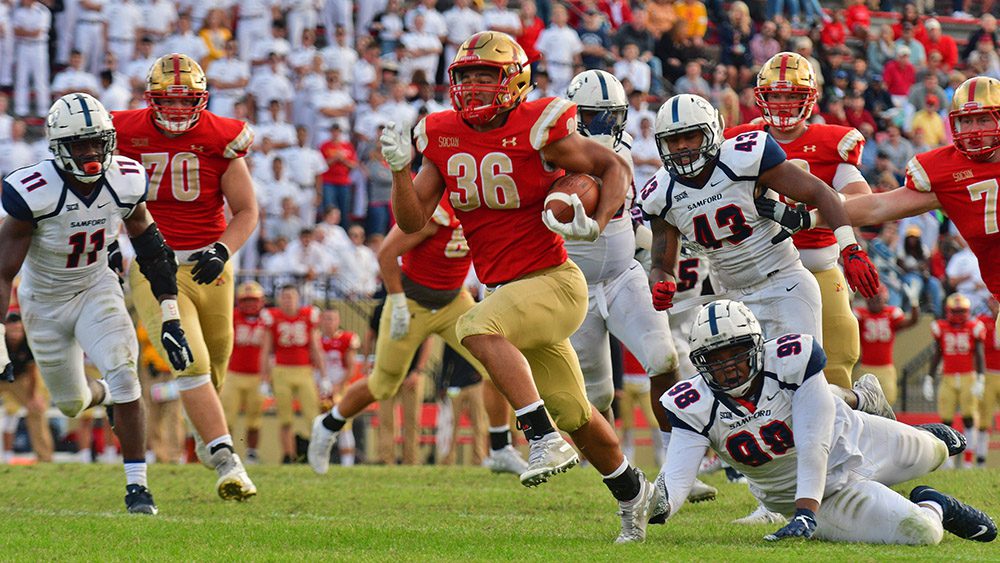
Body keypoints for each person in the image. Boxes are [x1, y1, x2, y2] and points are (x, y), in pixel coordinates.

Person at [369, 31, 655, 543]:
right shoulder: (441, 134)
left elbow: (611, 166)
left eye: (487, 76)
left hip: (553, 281)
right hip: (510, 291)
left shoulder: (540, 125)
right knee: (576, 411)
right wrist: (398, 172)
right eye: (466, 77)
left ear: (516, 81)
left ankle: (540, 437)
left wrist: (601, 218)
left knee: (475, 325)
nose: (475, 87)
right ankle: (635, 493)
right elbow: (411, 223)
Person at [638, 92, 881, 524]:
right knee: (748, 399)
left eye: (690, 137)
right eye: (673, 141)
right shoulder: (662, 193)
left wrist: (851, 248)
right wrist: (663, 281)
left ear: (711, 132)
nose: (682, 149)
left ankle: (847, 466)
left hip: (785, 282)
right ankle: (773, 501)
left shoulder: (746, 156)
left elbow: (823, 193)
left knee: (801, 394)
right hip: (735, 301)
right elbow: (661, 258)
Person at [651, 299, 997, 545]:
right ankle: (935, 502)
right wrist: (642, 500)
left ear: (757, 346)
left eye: (735, 352)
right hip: (828, 494)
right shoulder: (692, 403)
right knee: (922, 533)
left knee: (941, 448)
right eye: (715, 358)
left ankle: (885, 416)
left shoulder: (789, 359)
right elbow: (676, 478)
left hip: (856, 437)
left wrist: (806, 511)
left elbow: (814, 439)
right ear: (699, 362)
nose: (728, 367)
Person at [0, 93, 196, 514]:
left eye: (96, 142)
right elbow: (2, 272)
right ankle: (107, 396)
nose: (90, 153)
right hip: (45, 303)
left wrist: (171, 314)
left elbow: (151, 246)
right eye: (79, 144)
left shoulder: (125, 178)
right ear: (57, 147)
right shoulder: (33, 190)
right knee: (70, 402)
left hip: (97, 288)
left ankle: (137, 488)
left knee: (127, 376)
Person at [564, 69, 716, 503]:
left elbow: (636, 213)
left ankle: (676, 468)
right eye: (593, 118)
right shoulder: (551, 155)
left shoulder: (625, 150)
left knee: (663, 356)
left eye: (610, 117)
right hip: (574, 285)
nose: (603, 129)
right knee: (595, 395)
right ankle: (624, 479)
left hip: (623, 274)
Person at [112, 53, 258, 501]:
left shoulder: (222, 137)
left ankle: (205, 435)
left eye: (186, 101)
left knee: (216, 364)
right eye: (167, 101)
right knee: (187, 359)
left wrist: (222, 248)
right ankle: (227, 460)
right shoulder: (122, 131)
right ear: (150, 100)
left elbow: (247, 211)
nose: (176, 110)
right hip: (154, 265)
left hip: (210, 267)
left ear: (202, 100)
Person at [309, 193, 529, 476]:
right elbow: (387, 253)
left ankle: (499, 448)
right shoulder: (436, 212)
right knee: (383, 385)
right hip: (412, 302)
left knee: (497, 366)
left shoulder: (488, 205)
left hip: (453, 300)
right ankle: (327, 426)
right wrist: (398, 302)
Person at [725, 52, 871, 391]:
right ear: (762, 98)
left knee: (837, 359)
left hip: (817, 265)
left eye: (791, 95)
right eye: (775, 95)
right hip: (759, 272)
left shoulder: (831, 142)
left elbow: (861, 201)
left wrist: (808, 218)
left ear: (808, 98)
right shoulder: (738, 141)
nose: (783, 104)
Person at [260, 284, 324, 464]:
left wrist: (324, 375)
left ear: (298, 299)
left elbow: (315, 347)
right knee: (285, 418)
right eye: (285, 297)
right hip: (281, 370)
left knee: (313, 416)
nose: (288, 301)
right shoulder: (273, 317)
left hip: (304, 370)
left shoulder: (307, 316)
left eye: (291, 297)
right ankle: (289, 456)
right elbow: (266, 349)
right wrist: (264, 378)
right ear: (280, 299)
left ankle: (316, 455)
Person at [923, 293, 985, 469]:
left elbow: (979, 354)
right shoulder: (941, 327)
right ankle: (948, 458)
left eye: (961, 311)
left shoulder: (974, 327)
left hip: (968, 376)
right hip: (948, 377)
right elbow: (938, 354)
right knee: (946, 419)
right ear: (948, 311)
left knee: (969, 418)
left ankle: (968, 461)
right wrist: (929, 377)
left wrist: (980, 378)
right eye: (955, 311)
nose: (958, 315)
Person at [220, 281, 267, 464]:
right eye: (246, 300)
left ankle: (252, 453)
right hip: (233, 373)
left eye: (253, 300)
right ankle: (228, 451)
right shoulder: (232, 317)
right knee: (227, 415)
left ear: (262, 301)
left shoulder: (268, 319)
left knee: (254, 418)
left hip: (257, 376)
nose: (250, 304)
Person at [0, 307, 53, 463]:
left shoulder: (29, 342)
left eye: (19, 329)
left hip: (18, 379)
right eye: (13, 330)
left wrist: (32, 396)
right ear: (6, 329)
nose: (16, 333)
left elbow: (32, 371)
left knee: (37, 409)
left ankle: (45, 458)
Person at [854, 284, 920, 406]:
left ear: (884, 298)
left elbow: (912, 322)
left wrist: (914, 303)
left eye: (877, 298)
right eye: (871, 298)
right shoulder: (860, 315)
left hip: (886, 368)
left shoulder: (891, 314)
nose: (874, 301)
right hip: (865, 367)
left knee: (888, 401)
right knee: (862, 405)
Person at [317, 308, 359, 466]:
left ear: (338, 321)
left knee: (344, 424)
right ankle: (319, 462)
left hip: (340, 387)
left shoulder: (347, 338)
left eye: (332, 319)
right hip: (320, 387)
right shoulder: (316, 340)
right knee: (319, 424)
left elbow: (351, 367)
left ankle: (347, 463)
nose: (329, 322)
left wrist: (337, 387)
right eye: (326, 319)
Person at [975, 295, 1000, 467]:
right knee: (984, 419)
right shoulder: (981, 321)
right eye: (994, 302)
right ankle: (981, 460)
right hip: (989, 374)